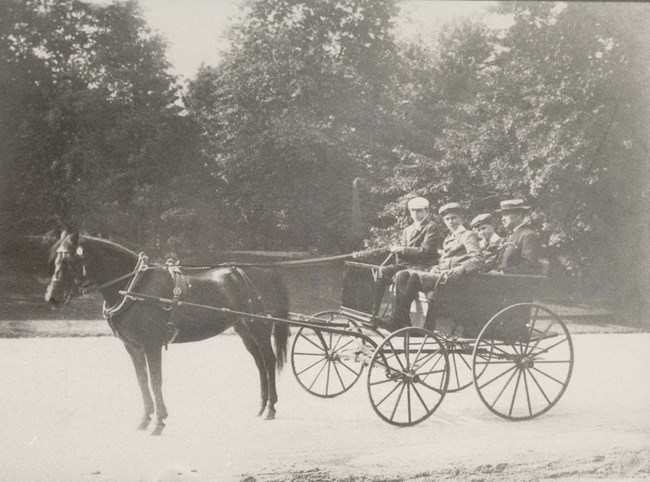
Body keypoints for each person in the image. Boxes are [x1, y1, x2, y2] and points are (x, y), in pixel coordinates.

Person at [375, 202, 484, 331]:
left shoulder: (468, 235)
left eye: (454, 218)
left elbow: (478, 259)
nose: (451, 221)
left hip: (457, 279)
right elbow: (446, 259)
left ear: (461, 218)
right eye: (447, 219)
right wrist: (437, 267)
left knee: (415, 275)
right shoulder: (449, 238)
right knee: (403, 274)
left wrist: (461, 268)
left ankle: (396, 319)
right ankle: (402, 319)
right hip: (443, 276)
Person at [372, 196, 436, 314]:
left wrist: (403, 249)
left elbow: (424, 250)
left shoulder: (431, 227)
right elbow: (403, 251)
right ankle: (374, 313)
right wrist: (397, 250)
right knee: (382, 270)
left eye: (419, 210)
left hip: (421, 266)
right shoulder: (408, 229)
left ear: (426, 211)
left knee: (401, 276)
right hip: (404, 265)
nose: (415, 213)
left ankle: (401, 318)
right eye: (413, 210)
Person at [494, 199, 544, 274]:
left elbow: (529, 266)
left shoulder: (528, 235)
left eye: (506, 214)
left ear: (519, 215)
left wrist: (502, 272)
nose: (502, 218)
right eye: (502, 215)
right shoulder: (510, 236)